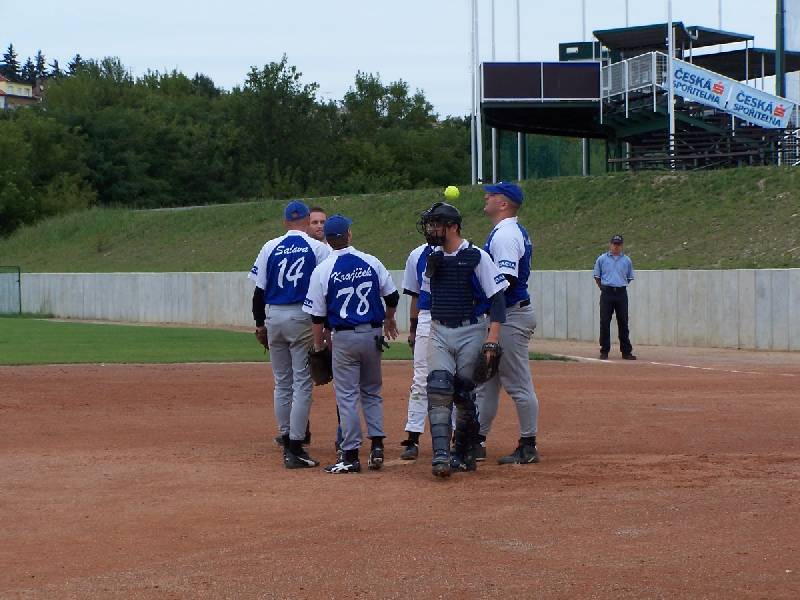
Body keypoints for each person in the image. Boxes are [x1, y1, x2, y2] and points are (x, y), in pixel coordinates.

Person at [303, 214, 400, 474]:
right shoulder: (371, 261)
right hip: (372, 335)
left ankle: (350, 455)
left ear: (327, 239)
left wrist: (319, 344)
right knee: (371, 391)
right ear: (349, 235)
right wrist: (389, 319)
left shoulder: (323, 269)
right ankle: (377, 446)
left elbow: (317, 316)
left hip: (343, 338)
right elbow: (392, 295)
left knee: (347, 397)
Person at [419, 202, 509, 478]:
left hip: (472, 329)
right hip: (439, 328)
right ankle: (442, 455)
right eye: (431, 224)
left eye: (437, 224)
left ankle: (464, 449)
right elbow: (426, 298)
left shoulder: (475, 256)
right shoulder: (431, 258)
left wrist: (492, 339)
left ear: (453, 226)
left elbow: (497, 299)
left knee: (463, 391)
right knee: (438, 388)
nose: (432, 229)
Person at [249, 200, 330, 469]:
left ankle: (285, 436)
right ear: (307, 221)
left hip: (274, 315)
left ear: (285, 222)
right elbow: (323, 290)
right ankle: (295, 446)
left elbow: (258, 292)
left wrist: (260, 323)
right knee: (302, 383)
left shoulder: (270, 246)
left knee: (282, 382)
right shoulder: (317, 247)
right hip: (301, 316)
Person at [475, 182, 541, 465]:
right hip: (505, 315)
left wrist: (492, 319)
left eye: (492, 195)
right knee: (487, 382)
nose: (487, 197)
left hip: (510, 316)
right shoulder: (506, 231)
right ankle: (476, 440)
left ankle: (528, 444)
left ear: (504, 204)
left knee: (517, 383)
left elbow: (504, 281)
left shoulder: (506, 234)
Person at [398, 240, 434, 460]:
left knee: (457, 380)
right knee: (420, 380)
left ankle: (458, 436)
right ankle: (412, 437)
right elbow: (416, 295)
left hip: (458, 318)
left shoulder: (467, 251)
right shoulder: (417, 254)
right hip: (427, 318)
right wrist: (412, 329)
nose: (432, 229)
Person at [593, 234, 636, 360]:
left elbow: (629, 277)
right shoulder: (602, 259)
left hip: (621, 293)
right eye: (614, 244)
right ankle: (604, 351)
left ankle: (626, 352)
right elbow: (597, 275)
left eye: (618, 244)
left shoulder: (627, 260)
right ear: (610, 244)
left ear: (621, 245)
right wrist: (603, 288)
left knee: (623, 322)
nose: (616, 247)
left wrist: (620, 286)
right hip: (607, 292)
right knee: (605, 322)